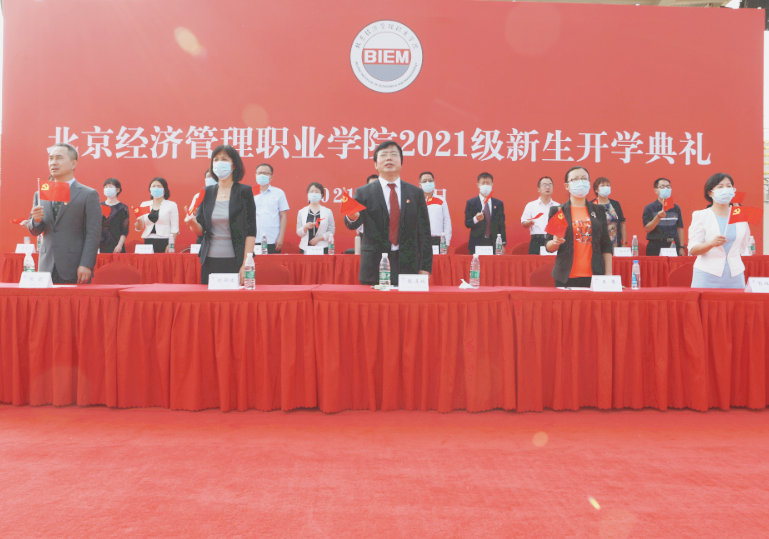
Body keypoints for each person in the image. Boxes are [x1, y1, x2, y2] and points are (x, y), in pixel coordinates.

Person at [344, 140, 432, 285]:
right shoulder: (364, 192)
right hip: (373, 265)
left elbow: (424, 232)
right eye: (384, 155)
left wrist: (425, 267)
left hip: (408, 265)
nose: (389, 158)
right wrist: (352, 217)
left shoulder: (415, 193)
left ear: (401, 162)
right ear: (375, 164)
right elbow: (353, 223)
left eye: (394, 154)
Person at [27, 143, 101, 284]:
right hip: (46, 266)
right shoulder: (41, 194)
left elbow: (93, 233)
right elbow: (34, 230)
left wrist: (86, 264)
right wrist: (35, 221)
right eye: (51, 158)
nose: (53, 162)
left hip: (74, 266)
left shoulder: (88, 194)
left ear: (73, 164)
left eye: (59, 158)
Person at [184, 145, 256, 284]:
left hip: (237, 260)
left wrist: (246, 264)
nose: (218, 163)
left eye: (224, 159)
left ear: (233, 165)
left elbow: (251, 230)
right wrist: (192, 223)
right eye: (215, 159)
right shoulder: (206, 192)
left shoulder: (244, 191)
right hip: (209, 260)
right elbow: (201, 231)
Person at [545, 166, 613, 287]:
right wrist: (555, 242)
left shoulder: (598, 210)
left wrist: (608, 275)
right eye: (575, 179)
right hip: (565, 276)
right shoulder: (559, 211)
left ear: (589, 183)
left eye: (584, 178)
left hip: (595, 275)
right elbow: (549, 246)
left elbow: (606, 244)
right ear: (567, 186)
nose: (580, 182)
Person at [688, 173, 751, 288]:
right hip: (706, 275)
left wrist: (737, 208)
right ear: (710, 193)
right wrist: (711, 243)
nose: (725, 190)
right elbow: (693, 250)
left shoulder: (741, 216)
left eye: (729, 186)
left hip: (735, 275)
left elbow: (743, 246)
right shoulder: (701, 215)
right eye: (720, 187)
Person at [464, 172, 507, 255]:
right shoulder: (471, 203)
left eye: (488, 183)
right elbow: (467, 223)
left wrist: (502, 243)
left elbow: (501, 225)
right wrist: (476, 219)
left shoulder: (498, 203)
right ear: (478, 185)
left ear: (492, 185)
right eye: (483, 183)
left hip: (494, 242)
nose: (485, 185)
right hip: (477, 242)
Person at [643, 178, 685, 256]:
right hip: (656, 245)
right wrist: (658, 217)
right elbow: (648, 228)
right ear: (656, 190)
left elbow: (680, 228)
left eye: (668, 187)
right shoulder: (649, 208)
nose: (666, 189)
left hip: (673, 244)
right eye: (662, 187)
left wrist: (681, 247)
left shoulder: (676, 208)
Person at [135, 177, 179, 253]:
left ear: (164, 189)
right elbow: (139, 228)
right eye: (153, 186)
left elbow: (175, 228)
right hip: (148, 241)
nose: (156, 188)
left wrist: (171, 244)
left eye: (159, 186)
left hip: (165, 240)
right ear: (150, 189)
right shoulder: (144, 204)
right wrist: (138, 223)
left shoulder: (171, 205)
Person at [253, 163, 289, 253]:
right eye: (259, 173)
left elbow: (283, 216)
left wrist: (281, 237)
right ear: (256, 175)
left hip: (272, 239)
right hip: (253, 238)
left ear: (271, 177)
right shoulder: (250, 192)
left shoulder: (279, 193)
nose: (262, 175)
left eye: (265, 173)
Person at [520, 176, 559, 254]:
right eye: (544, 185)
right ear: (538, 189)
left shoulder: (558, 206)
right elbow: (524, 222)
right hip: (536, 240)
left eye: (550, 185)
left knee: (553, 261)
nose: (547, 187)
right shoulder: (531, 205)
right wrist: (529, 223)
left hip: (553, 240)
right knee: (535, 261)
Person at [296, 182, 336, 254]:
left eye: (317, 192)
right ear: (308, 194)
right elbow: (299, 232)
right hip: (305, 248)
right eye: (311, 191)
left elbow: (331, 231)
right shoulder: (301, 212)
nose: (314, 193)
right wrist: (305, 227)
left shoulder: (328, 212)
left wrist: (319, 238)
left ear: (321, 195)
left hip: (323, 248)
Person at [590, 177, 626, 249]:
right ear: (596, 189)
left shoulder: (615, 204)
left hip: (615, 243)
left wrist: (624, 242)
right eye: (603, 185)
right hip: (598, 245)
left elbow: (622, 224)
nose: (606, 187)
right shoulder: (591, 205)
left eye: (608, 185)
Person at [418, 172, 452, 249]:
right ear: (420, 184)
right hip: (419, 240)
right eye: (424, 181)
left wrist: (446, 242)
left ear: (434, 183)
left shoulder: (441, 200)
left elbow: (447, 222)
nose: (427, 183)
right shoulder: (415, 200)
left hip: (436, 240)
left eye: (430, 181)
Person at [100, 178, 129, 253]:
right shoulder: (99, 206)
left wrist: (120, 245)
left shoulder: (122, 208)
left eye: (110, 186)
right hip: (101, 244)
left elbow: (124, 230)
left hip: (116, 245)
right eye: (106, 187)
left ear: (118, 190)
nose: (107, 189)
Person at [196, 169, 217, 245]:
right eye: (208, 176)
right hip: (205, 237)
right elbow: (193, 214)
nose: (210, 178)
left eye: (213, 176)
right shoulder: (201, 195)